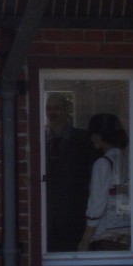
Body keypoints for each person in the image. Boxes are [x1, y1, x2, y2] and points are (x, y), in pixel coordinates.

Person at [44, 93, 95, 251]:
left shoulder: (83, 140)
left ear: (66, 110)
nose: (53, 112)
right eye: (49, 108)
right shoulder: (39, 139)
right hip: (46, 214)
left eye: (57, 108)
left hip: (75, 213)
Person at [77, 113, 131, 251]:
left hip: (106, 235)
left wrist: (85, 239)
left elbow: (96, 205)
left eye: (94, 134)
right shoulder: (126, 162)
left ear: (99, 136)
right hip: (128, 232)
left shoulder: (103, 164)